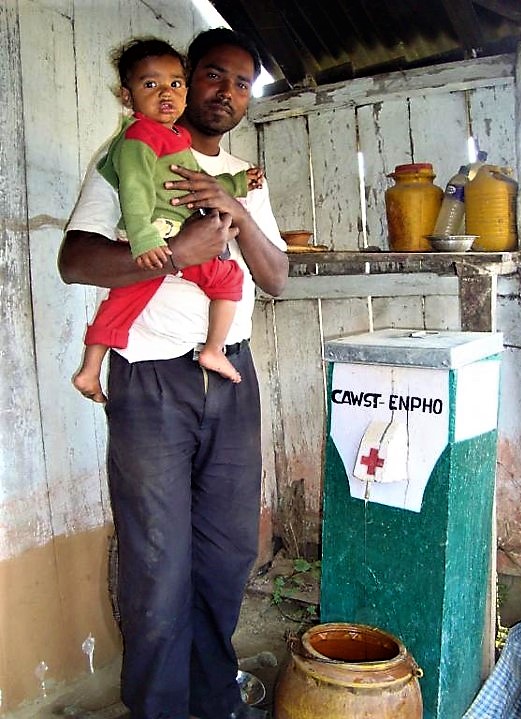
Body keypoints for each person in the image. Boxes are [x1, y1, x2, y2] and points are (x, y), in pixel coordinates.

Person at [59, 27, 289, 719]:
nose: (227, 92)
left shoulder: (244, 174)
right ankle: (158, 708)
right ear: (187, 77)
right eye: (214, 75)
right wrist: (177, 250)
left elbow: (275, 276)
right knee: (158, 565)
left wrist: (237, 212)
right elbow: (76, 260)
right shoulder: (127, 154)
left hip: (231, 376)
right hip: (152, 381)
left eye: (243, 82)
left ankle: (213, 699)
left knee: (224, 557)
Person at [74, 38, 265, 402]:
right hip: (162, 252)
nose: (166, 93)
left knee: (122, 302)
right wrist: (152, 242)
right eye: (150, 84)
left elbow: (198, 181)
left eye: (174, 84)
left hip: (166, 240)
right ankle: (214, 349)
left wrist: (239, 185)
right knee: (228, 279)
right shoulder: (137, 140)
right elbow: (133, 190)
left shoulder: (171, 137)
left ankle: (88, 370)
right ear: (127, 95)